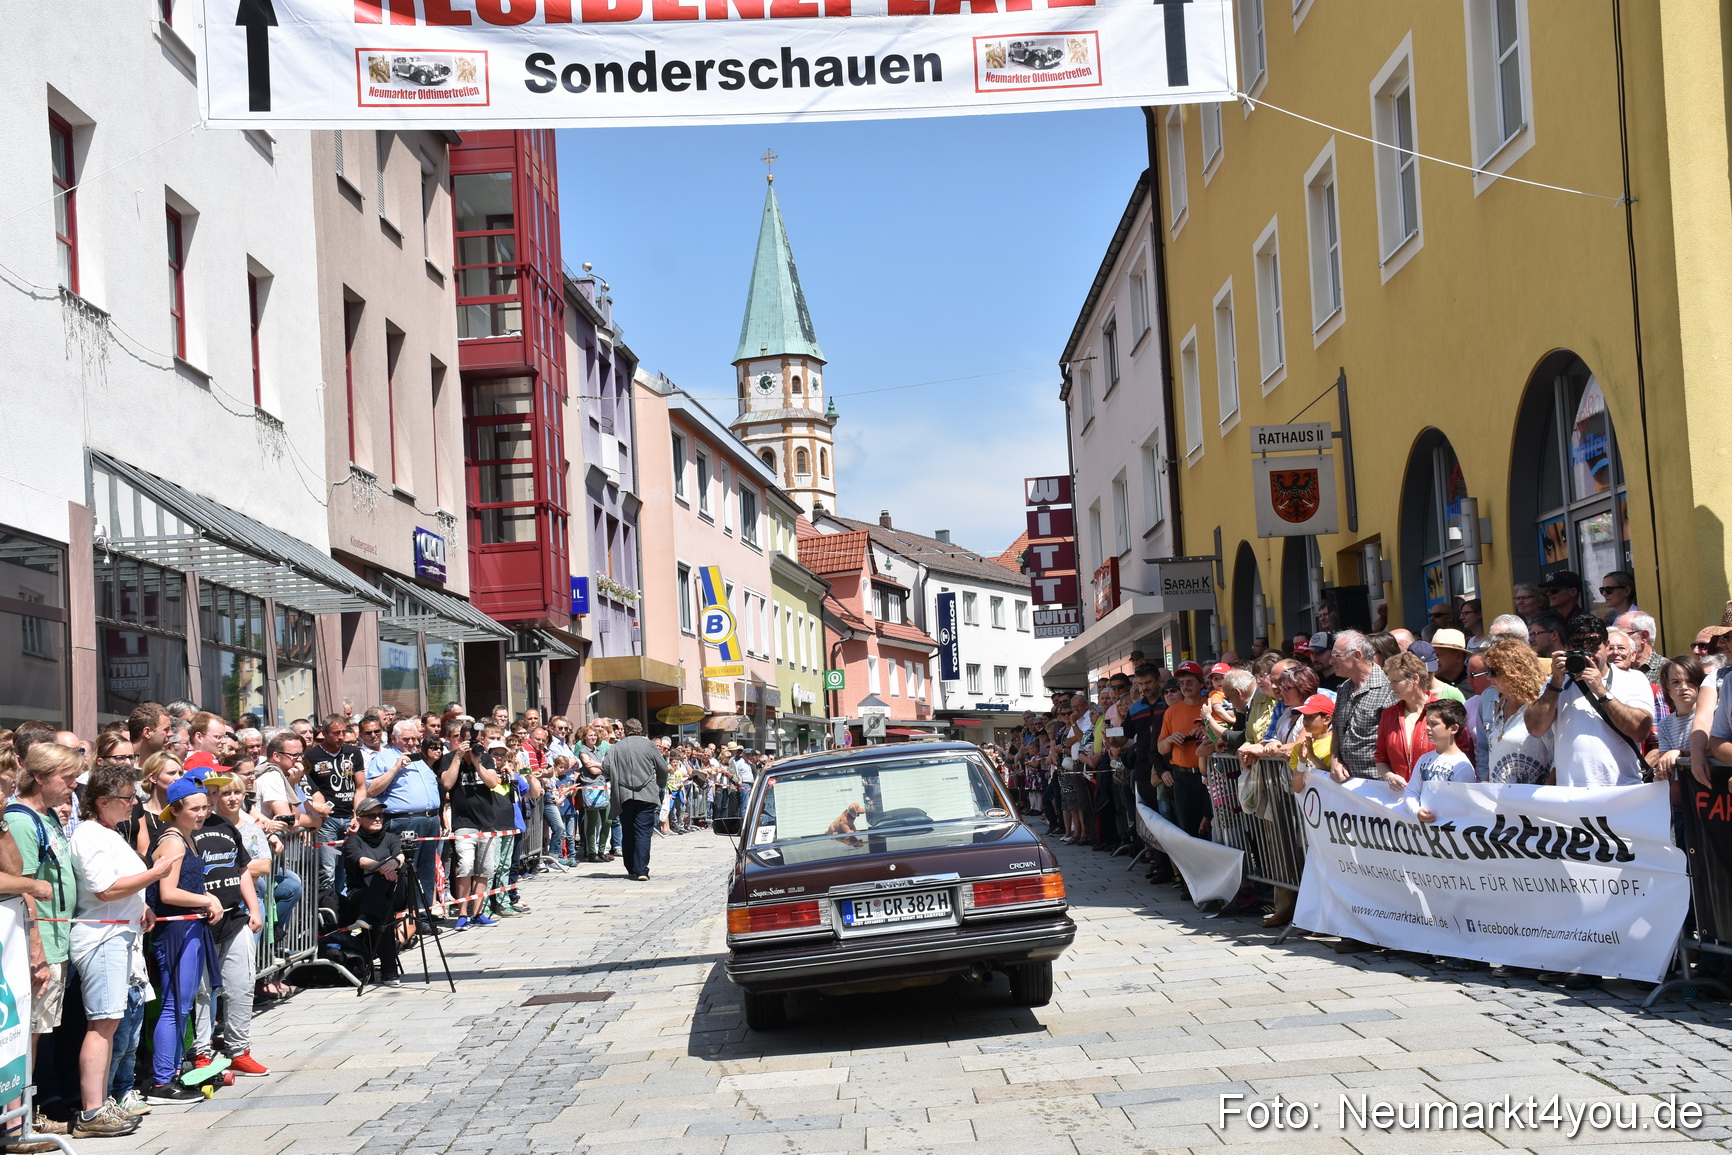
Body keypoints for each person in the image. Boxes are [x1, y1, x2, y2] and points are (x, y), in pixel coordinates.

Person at [67, 761, 167, 1137]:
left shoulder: (107, 832)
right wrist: (155, 873)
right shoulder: (90, 834)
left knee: (108, 1024)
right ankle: (92, 1111)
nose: (134, 805)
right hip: (102, 938)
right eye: (128, 799)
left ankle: (100, 1102)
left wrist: (140, 905)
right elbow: (105, 889)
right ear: (104, 801)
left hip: (117, 934)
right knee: (103, 1025)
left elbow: (118, 888)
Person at [8, 742, 80, 1127]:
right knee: (29, 1035)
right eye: (65, 777)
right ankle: (21, 1119)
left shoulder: (48, 816)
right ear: (38, 777)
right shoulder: (21, 821)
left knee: (40, 1033)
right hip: (40, 943)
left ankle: (27, 1112)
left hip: (57, 941)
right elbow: (24, 886)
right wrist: (36, 947)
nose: (72, 785)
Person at [145, 778, 224, 1101]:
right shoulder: (174, 841)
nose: (202, 814)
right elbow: (167, 892)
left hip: (189, 927)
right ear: (175, 810)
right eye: (195, 809)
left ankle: (173, 1069)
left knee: (182, 1003)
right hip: (175, 930)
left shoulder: (187, 838)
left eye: (205, 807)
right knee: (174, 1004)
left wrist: (204, 899)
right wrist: (206, 900)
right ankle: (163, 1078)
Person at [188, 771, 270, 1078]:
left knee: (242, 984)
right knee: (202, 992)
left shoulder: (226, 825)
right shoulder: (180, 831)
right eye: (208, 792)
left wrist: (253, 909)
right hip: (199, 922)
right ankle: (201, 1053)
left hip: (236, 917)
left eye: (215, 793)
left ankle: (239, 1050)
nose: (211, 800)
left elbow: (243, 869)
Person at [1525, 613, 1654, 790]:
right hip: (1572, 793)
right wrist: (1555, 684)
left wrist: (1600, 689)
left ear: (1606, 645)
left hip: (1622, 791)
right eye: (1578, 645)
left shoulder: (1633, 679)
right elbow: (1535, 729)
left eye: (1593, 644)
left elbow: (1640, 731)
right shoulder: (1555, 683)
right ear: (1567, 647)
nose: (1587, 653)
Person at [367, 720, 443, 930]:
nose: (411, 743)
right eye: (406, 739)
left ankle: (422, 917)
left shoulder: (419, 758)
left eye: (414, 739)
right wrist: (395, 769)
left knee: (427, 870)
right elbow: (372, 790)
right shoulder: (384, 757)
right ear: (394, 738)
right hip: (404, 820)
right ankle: (402, 919)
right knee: (406, 870)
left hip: (430, 820)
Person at [440, 723, 500, 929]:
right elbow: (447, 783)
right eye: (469, 740)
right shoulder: (448, 759)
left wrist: (477, 763)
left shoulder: (485, 758)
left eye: (477, 739)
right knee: (465, 867)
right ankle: (462, 914)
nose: (474, 744)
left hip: (486, 823)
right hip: (463, 823)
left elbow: (493, 783)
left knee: (484, 868)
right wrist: (458, 757)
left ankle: (478, 912)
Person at [342, 798, 407, 988]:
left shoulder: (391, 837)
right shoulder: (353, 841)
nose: (378, 819)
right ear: (360, 819)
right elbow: (361, 861)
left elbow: (400, 854)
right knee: (383, 913)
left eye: (380, 815)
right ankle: (390, 973)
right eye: (372, 816)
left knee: (384, 889)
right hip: (360, 894)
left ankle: (366, 916)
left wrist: (393, 864)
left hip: (393, 894)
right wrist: (382, 868)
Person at [302, 714, 365, 903]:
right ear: (324, 733)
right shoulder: (311, 756)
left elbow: (361, 787)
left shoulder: (353, 753)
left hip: (349, 817)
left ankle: (347, 910)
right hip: (327, 821)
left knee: (349, 868)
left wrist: (358, 816)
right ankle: (328, 914)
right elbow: (305, 790)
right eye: (335, 733)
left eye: (343, 732)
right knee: (327, 871)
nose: (340, 737)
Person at [1478, 638, 1554, 785]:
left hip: (1531, 802)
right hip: (1501, 801)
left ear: (1513, 670)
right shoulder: (1501, 703)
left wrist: (1542, 801)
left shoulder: (1541, 707)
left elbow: (1558, 761)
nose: (1488, 677)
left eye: (1493, 672)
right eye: (1488, 671)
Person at [603, 720, 668, 882]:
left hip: (624, 795)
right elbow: (663, 768)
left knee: (628, 831)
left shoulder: (616, 747)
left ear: (626, 731)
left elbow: (605, 769)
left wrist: (616, 776)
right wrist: (661, 783)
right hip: (646, 795)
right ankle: (641, 870)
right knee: (643, 832)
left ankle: (631, 867)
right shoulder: (650, 746)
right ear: (641, 731)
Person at [1329, 631, 1394, 783]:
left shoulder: (1387, 688)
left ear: (1357, 656)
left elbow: (1394, 741)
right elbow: (1337, 731)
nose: (1331, 661)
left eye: (1336, 656)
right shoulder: (1344, 688)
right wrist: (1334, 760)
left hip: (1377, 785)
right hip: (1348, 785)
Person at [1156, 663, 1210, 840]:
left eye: (1189, 682)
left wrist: (1205, 731)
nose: (1185, 687)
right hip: (1183, 777)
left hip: (1210, 776)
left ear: (1201, 684)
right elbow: (1160, 747)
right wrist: (1170, 739)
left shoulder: (1211, 705)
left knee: (1213, 827)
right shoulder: (1172, 711)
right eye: (1182, 683)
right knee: (1188, 830)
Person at [1399, 700, 1478, 817]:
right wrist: (1417, 811)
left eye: (1434, 724)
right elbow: (1411, 791)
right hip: (1424, 831)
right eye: (1427, 723)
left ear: (1454, 729)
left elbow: (1464, 806)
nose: (1427, 728)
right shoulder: (1424, 759)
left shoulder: (1462, 766)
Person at [1649, 657, 1704, 784]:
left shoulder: (1713, 715)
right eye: (1676, 682)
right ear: (1667, 688)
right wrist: (1662, 773)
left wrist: (1680, 754)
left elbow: (1713, 750)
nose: (1684, 687)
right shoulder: (1664, 725)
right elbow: (1666, 760)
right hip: (1683, 791)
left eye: (1690, 681)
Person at [1615, 610, 1666, 686]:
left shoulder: (1666, 670)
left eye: (1623, 635)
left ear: (1644, 636)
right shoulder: (1615, 668)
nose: (1618, 640)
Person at [1429, 629, 1473, 696]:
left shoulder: (1474, 683)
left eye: (1439, 654)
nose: (1434, 659)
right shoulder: (1426, 685)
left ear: (1459, 657)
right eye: (1432, 654)